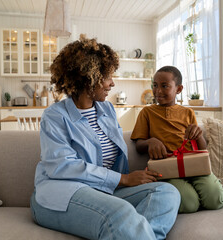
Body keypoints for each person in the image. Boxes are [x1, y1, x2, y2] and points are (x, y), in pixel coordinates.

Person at [30, 35, 180, 240]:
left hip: (105, 192)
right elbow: (62, 166)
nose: (112, 83)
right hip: (60, 195)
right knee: (121, 213)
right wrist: (124, 179)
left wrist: (130, 178)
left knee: (167, 193)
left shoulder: (107, 109)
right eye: (108, 76)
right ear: (89, 77)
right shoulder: (55, 116)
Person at [131, 66, 223, 213]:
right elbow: (138, 145)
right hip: (167, 169)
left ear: (179, 89)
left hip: (194, 165)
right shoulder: (147, 112)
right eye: (155, 86)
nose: (158, 91)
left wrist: (198, 134)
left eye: (164, 86)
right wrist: (151, 141)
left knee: (215, 199)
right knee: (190, 204)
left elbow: (202, 149)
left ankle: (206, 192)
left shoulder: (188, 112)